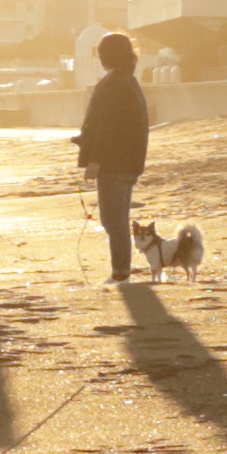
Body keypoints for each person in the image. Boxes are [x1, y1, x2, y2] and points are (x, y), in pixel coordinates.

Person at [75, 28, 156, 285]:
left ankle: (121, 271)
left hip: (114, 163)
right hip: (130, 161)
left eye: (101, 53)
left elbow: (106, 128)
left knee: (113, 220)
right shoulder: (128, 82)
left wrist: (94, 160)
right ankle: (122, 270)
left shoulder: (113, 84)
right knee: (116, 217)